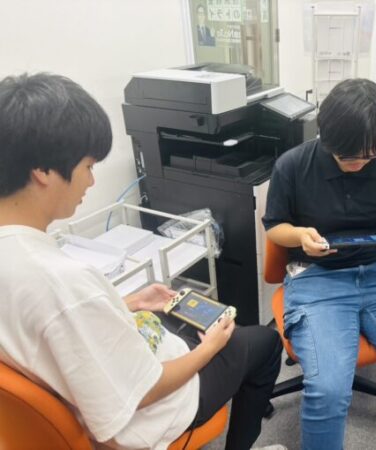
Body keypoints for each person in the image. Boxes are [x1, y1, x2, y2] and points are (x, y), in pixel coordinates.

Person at [0, 72, 283, 450]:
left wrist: (128, 302)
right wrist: (209, 349)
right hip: (153, 411)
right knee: (263, 341)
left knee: (177, 315)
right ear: (43, 171)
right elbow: (145, 391)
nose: (91, 182)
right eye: (88, 166)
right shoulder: (63, 282)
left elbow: (55, 327)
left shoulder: (20, 258)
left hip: (106, 380)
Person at [262, 78, 376, 450]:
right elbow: (275, 227)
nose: (359, 164)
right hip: (317, 278)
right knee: (328, 390)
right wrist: (300, 236)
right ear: (326, 136)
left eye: (369, 156)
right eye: (348, 156)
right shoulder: (292, 165)